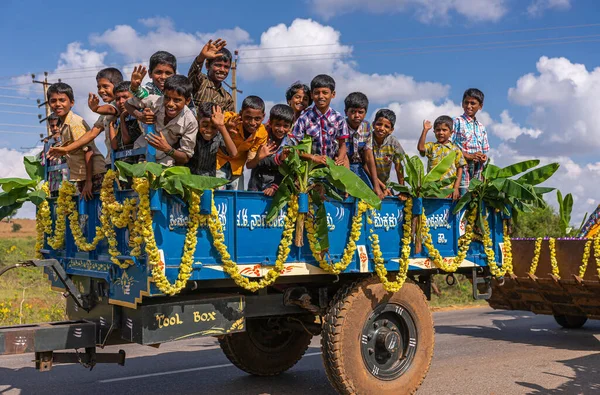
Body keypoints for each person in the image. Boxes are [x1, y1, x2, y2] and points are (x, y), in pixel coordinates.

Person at [47, 68, 123, 166]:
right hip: (111, 160)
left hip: (124, 157)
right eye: (99, 87)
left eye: (105, 86)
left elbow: (111, 109)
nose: (101, 91)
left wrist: (96, 109)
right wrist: (66, 149)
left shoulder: (120, 104)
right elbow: (92, 133)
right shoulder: (104, 116)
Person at [125, 68, 198, 166]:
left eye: (177, 100)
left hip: (165, 158)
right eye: (167, 98)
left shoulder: (190, 122)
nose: (170, 104)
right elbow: (127, 104)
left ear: (187, 101)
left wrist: (167, 149)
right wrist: (140, 116)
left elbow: (185, 157)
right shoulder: (155, 101)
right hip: (141, 150)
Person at [47, 82, 105, 200]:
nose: (57, 104)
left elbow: (88, 150)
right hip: (83, 176)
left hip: (93, 174)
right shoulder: (63, 124)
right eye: (53, 101)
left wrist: (89, 182)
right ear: (49, 104)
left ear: (72, 102)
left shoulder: (74, 123)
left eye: (62, 100)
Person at [286, 74, 348, 166]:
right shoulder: (304, 119)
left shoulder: (338, 118)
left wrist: (340, 158)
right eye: (316, 93)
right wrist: (313, 157)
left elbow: (342, 145)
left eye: (325, 92)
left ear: (333, 94)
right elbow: (294, 148)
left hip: (332, 166)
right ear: (311, 94)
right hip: (309, 169)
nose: (320, 96)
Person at [216, 95, 268, 189]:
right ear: (240, 114)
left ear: (263, 116)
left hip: (237, 168)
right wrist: (224, 128)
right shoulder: (229, 118)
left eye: (257, 119)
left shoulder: (261, 133)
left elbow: (249, 164)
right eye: (248, 118)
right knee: (218, 195)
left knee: (237, 196)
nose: (252, 123)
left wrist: (258, 158)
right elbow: (208, 131)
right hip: (218, 163)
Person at [344, 92, 384, 199]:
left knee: (370, 195)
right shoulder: (340, 126)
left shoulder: (367, 127)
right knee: (345, 195)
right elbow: (342, 156)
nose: (357, 115)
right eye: (353, 112)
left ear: (365, 113)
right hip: (342, 166)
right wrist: (347, 183)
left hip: (359, 166)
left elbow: (369, 156)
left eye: (360, 112)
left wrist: (376, 185)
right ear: (346, 112)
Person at [247, 104, 294, 196]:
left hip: (276, 189)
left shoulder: (290, 145)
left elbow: (286, 170)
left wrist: (274, 187)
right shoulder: (260, 137)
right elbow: (252, 163)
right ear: (270, 123)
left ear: (290, 127)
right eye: (277, 125)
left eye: (285, 126)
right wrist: (277, 160)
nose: (281, 129)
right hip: (256, 186)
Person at [418, 116, 467, 200]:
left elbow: (460, 169)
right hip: (432, 190)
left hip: (448, 191)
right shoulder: (432, 147)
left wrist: (455, 188)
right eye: (438, 130)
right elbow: (421, 148)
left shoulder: (455, 150)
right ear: (434, 132)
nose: (441, 133)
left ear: (451, 132)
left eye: (444, 130)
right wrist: (425, 130)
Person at [452, 88, 489, 196]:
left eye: (473, 103)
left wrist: (481, 158)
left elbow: (484, 150)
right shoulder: (457, 122)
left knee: (475, 200)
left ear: (480, 106)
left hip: (477, 171)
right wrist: (467, 156)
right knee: (463, 198)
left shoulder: (481, 127)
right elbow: (448, 146)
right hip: (461, 170)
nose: (469, 106)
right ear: (462, 104)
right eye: (466, 102)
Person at [187, 102, 237, 177]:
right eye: (205, 125)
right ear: (197, 120)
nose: (209, 130)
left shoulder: (218, 135)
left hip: (208, 179)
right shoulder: (192, 131)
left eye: (214, 127)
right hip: (189, 177)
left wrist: (221, 126)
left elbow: (233, 153)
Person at [188, 39, 234, 112]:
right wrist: (201, 57)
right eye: (218, 65)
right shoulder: (200, 82)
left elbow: (229, 120)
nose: (222, 70)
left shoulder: (227, 98)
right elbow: (194, 73)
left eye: (226, 67)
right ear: (207, 65)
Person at [107, 81, 143, 164]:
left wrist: (123, 119)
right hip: (124, 161)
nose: (121, 101)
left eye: (125, 97)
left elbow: (126, 140)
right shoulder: (118, 119)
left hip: (138, 161)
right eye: (117, 99)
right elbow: (114, 146)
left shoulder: (141, 115)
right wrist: (111, 126)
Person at [370, 109, 405, 195]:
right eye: (379, 124)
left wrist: (403, 191)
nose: (381, 128)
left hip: (385, 183)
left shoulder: (393, 142)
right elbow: (365, 166)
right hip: (368, 181)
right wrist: (380, 186)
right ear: (373, 124)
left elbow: (398, 167)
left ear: (391, 130)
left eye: (386, 126)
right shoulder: (367, 139)